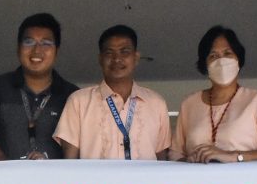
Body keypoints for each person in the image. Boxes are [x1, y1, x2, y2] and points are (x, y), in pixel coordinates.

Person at [53, 25, 172, 161]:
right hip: (94, 182)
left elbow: (162, 160)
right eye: (109, 53)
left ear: (136, 58)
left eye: (124, 52)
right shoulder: (78, 101)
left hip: (144, 182)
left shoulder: (156, 103)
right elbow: (70, 161)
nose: (116, 59)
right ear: (100, 59)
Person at [172, 25, 257, 163]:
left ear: (238, 60)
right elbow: (175, 153)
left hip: (245, 183)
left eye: (228, 53)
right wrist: (188, 160)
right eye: (213, 56)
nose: (221, 61)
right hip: (198, 183)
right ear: (205, 65)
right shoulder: (189, 104)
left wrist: (235, 156)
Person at [0, 13, 79, 161]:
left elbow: (76, 153)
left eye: (46, 43)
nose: (37, 50)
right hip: (4, 182)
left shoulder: (72, 95)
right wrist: (11, 171)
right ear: (18, 48)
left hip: (55, 182)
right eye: (29, 42)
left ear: (57, 51)